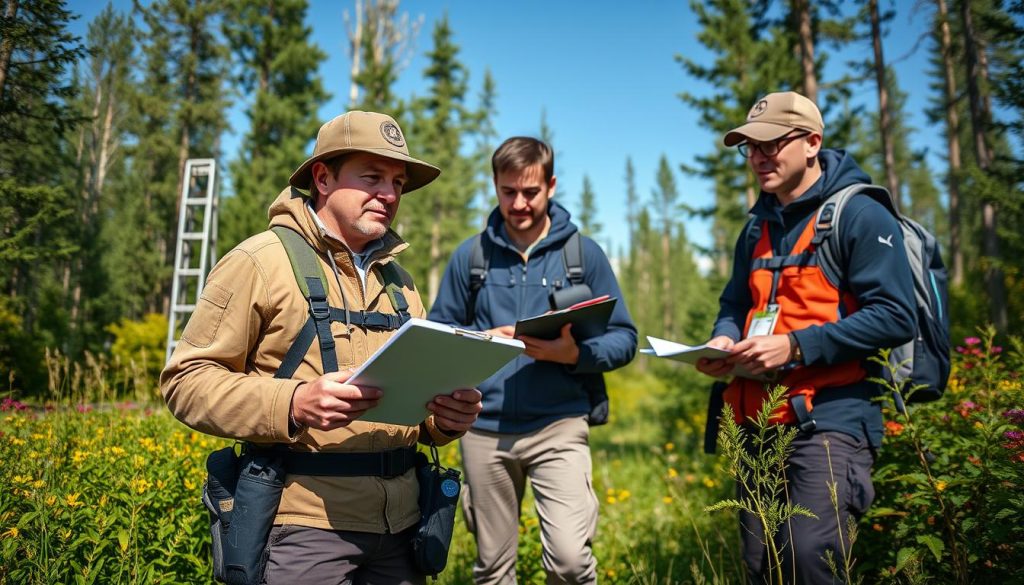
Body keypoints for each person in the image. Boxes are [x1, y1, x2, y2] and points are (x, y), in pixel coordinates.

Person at [160, 110, 483, 584]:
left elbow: (410, 407)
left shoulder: (400, 283)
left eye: (397, 182)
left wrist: (442, 421)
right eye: (372, 177)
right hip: (304, 530)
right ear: (323, 177)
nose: (389, 194)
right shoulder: (259, 262)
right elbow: (184, 382)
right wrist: (292, 401)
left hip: (402, 531)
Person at [695, 91, 916, 583]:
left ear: (812, 141)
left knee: (809, 559)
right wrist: (723, 342)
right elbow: (735, 304)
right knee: (763, 567)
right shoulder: (755, 227)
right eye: (749, 147)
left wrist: (796, 346)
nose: (757, 157)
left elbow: (897, 316)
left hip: (830, 422)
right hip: (756, 422)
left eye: (770, 143)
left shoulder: (860, 215)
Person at [428, 136, 637, 584]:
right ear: (496, 186)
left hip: (559, 425)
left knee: (569, 562)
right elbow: (437, 336)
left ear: (551, 185)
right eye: (508, 192)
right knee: (493, 570)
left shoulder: (582, 255)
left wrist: (575, 354)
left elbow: (625, 338)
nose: (519, 203)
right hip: (483, 430)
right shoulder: (472, 258)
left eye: (530, 192)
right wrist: (483, 340)